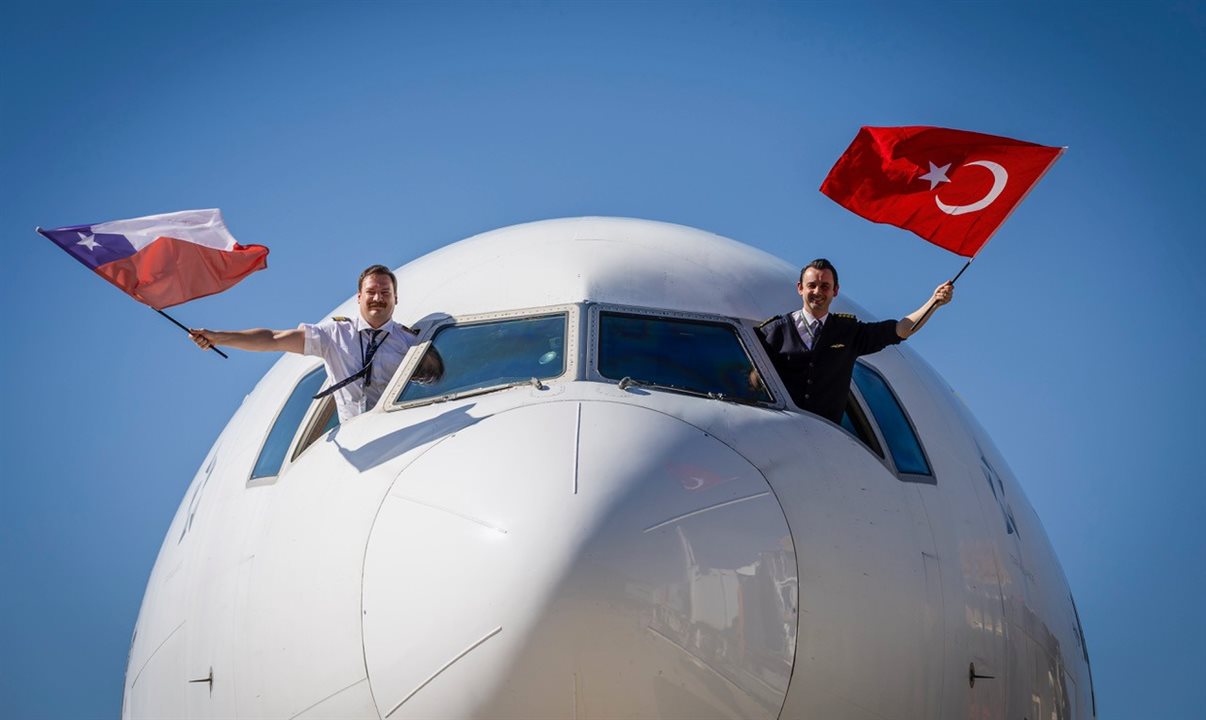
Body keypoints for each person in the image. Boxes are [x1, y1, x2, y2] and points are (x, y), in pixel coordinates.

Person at [190, 264, 435, 423]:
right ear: (359, 297)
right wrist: (218, 337)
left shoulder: (409, 342)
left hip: (396, 428)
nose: (378, 298)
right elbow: (273, 339)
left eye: (385, 293)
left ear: (396, 298)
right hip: (355, 433)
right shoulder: (335, 334)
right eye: (371, 292)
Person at [755, 258, 953, 424]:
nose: (818, 292)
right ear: (800, 288)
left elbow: (900, 330)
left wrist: (934, 303)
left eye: (825, 286)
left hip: (826, 436)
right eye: (812, 286)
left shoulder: (848, 332)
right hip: (782, 427)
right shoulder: (774, 331)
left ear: (835, 291)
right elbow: (752, 381)